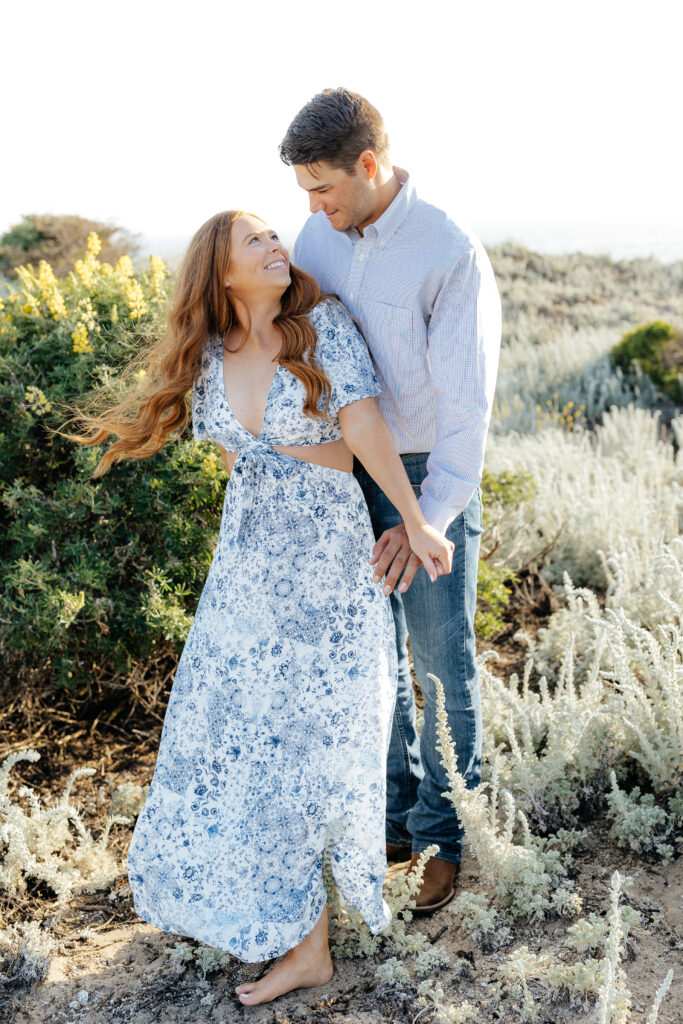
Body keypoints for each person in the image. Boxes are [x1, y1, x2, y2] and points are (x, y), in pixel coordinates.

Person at [63, 209, 454, 1006]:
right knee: (244, 745)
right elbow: (239, 464)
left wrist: (415, 522)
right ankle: (297, 937)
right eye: (256, 241)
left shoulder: (320, 328)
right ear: (223, 271)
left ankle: (326, 921)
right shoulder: (207, 355)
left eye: (276, 235)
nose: (277, 246)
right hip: (246, 578)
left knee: (316, 744)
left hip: (327, 566)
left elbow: (363, 427)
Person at [280, 88, 502, 915]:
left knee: (439, 660)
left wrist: (426, 518)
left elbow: (465, 409)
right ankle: (395, 818)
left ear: (368, 165)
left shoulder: (448, 251)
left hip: (426, 471)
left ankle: (446, 833)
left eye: (323, 188)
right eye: (305, 192)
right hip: (343, 472)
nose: (311, 207)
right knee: (366, 664)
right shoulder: (315, 236)